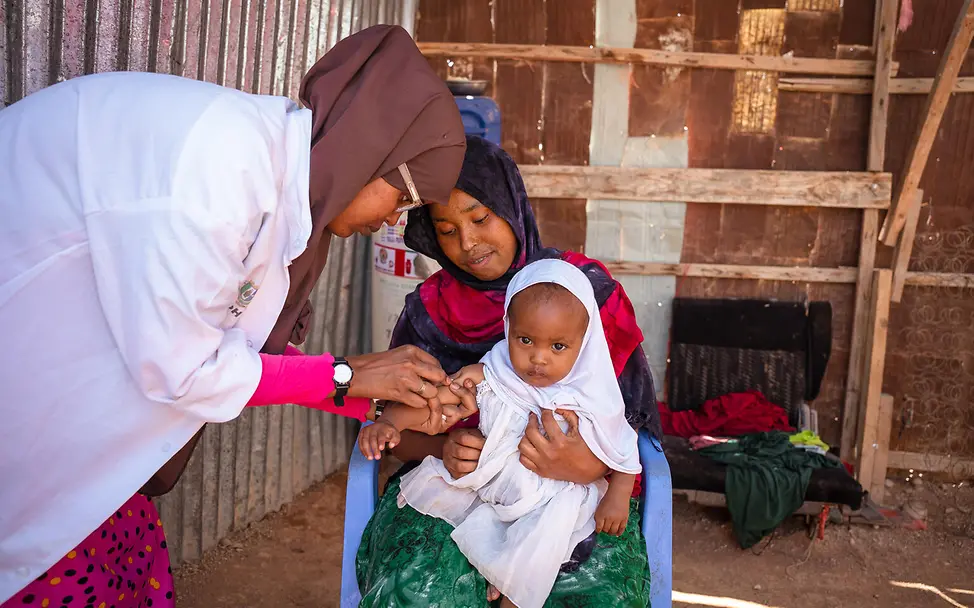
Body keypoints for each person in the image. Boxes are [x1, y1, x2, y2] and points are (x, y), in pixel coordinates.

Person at [0, 25, 471, 606]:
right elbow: (187, 369)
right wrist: (348, 375)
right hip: (32, 355)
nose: (394, 221)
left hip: (75, 384)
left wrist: (369, 394)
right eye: (400, 198)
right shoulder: (219, 177)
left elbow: (233, 347)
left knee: (117, 540)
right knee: (58, 551)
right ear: (368, 155)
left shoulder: (276, 175)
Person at [354, 135, 662, 607]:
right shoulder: (429, 311)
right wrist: (443, 445)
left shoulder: (585, 294)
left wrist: (584, 466)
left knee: (593, 597)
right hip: (455, 485)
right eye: (446, 229)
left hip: (576, 495)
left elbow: (632, 424)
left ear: (511, 206)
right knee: (420, 592)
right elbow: (399, 426)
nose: (468, 242)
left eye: (480, 218)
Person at [361, 259, 642, 608]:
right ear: (508, 327)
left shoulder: (591, 394)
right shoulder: (493, 373)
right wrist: (392, 422)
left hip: (551, 499)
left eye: (558, 347)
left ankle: (508, 591)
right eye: (525, 340)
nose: (538, 358)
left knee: (534, 554)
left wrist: (618, 495)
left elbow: (625, 448)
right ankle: (491, 567)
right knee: (455, 529)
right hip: (489, 485)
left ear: (582, 343)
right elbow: (441, 398)